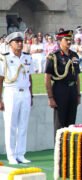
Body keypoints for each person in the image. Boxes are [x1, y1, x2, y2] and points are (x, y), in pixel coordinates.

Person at [0, 32, 34, 164]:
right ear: (10, 43)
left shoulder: (27, 57)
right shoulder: (5, 58)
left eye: (21, 41)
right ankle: (11, 154)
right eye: (17, 41)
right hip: (11, 92)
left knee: (23, 124)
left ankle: (21, 153)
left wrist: (31, 95)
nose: (20, 43)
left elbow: (29, 77)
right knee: (11, 125)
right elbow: (1, 78)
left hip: (24, 92)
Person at [45, 30, 81, 138]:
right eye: (66, 39)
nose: (69, 42)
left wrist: (78, 94)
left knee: (71, 122)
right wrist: (50, 97)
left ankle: (69, 150)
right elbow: (47, 78)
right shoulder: (53, 56)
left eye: (70, 39)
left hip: (72, 89)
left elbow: (77, 77)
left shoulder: (74, 55)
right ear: (60, 40)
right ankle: (59, 151)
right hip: (60, 89)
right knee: (60, 123)